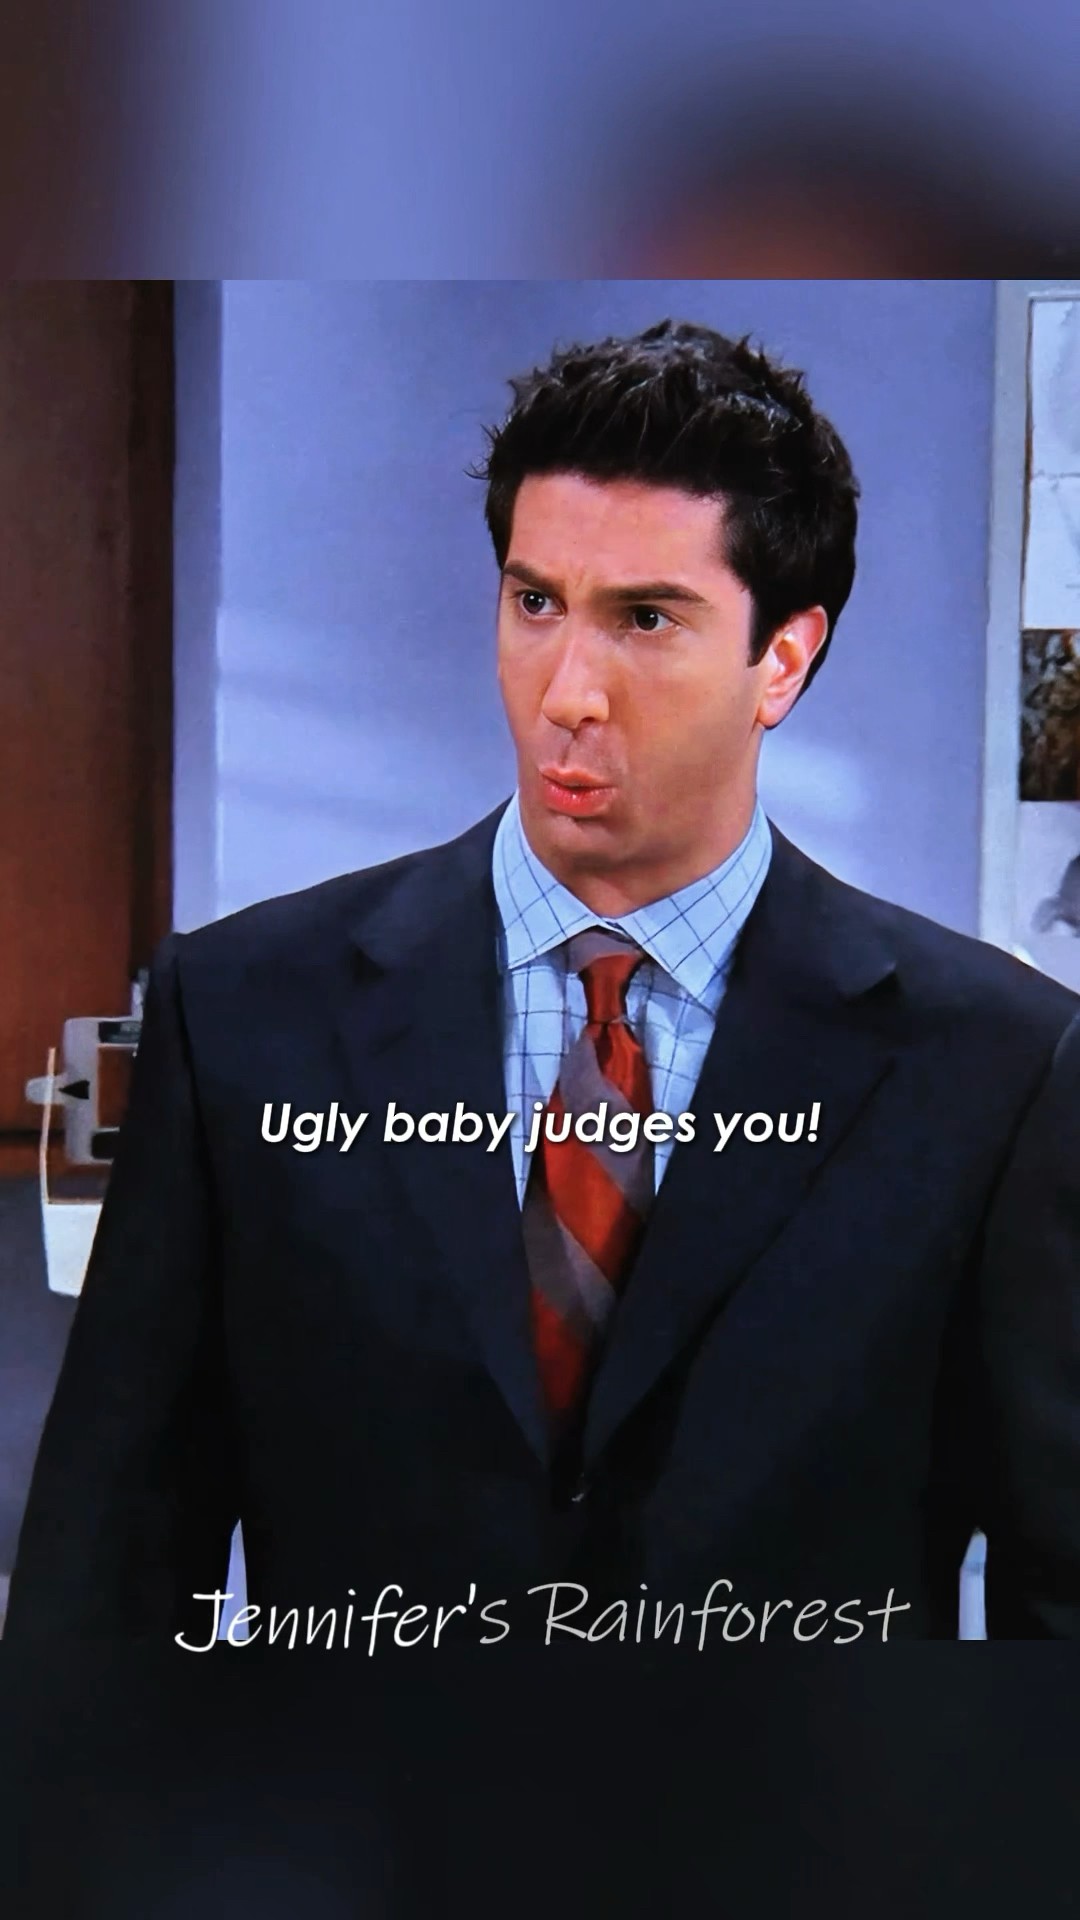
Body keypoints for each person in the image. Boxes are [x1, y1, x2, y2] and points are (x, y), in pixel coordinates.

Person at [7, 319, 1080, 1647]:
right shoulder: (242, 1015)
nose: (568, 690)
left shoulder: (992, 1071)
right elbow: (107, 1572)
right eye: (535, 605)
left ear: (783, 660)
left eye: (645, 619)